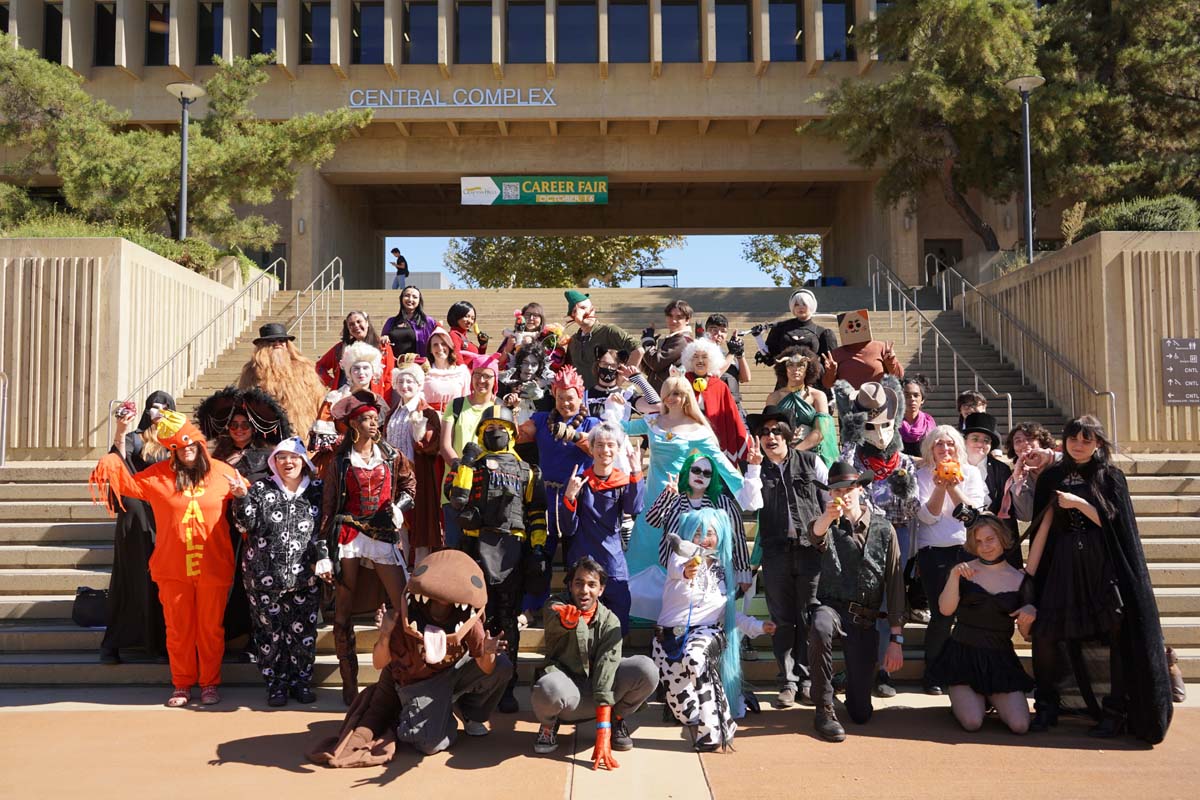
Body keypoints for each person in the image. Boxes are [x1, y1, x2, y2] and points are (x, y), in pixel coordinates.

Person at [1024, 416, 1172, 743]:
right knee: (1046, 633)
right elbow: (1043, 527)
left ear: (1098, 444)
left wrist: (1079, 503)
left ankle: (1115, 711)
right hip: (1062, 564)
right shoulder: (1052, 476)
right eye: (1074, 438)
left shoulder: (1110, 477)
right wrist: (1029, 579)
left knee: (1116, 636)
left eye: (1087, 439)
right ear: (1064, 441)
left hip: (1102, 565)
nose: (1079, 444)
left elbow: (1117, 526)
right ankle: (1047, 705)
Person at [90, 410, 244, 707]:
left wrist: (243, 495)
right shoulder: (159, 476)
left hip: (214, 567)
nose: (186, 451)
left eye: (191, 446)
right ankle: (183, 684)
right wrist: (120, 433)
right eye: (178, 448)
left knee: (210, 630)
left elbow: (252, 507)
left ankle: (209, 682)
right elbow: (124, 482)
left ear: (200, 445)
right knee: (178, 629)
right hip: (172, 569)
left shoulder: (223, 472)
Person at [308, 550, 512, 766]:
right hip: (416, 682)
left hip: (452, 671)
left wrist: (487, 652)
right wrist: (385, 635)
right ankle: (438, 716)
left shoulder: (467, 617)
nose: (440, 606)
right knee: (428, 744)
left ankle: (469, 713)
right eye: (435, 600)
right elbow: (379, 663)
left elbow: (486, 668)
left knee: (502, 665)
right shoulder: (405, 614)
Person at [448, 404, 550, 714]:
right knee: (476, 617)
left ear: (512, 434)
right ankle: (474, 680)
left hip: (513, 550)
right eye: (489, 428)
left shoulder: (529, 471)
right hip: (478, 548)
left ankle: (506, 683)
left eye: (501, 428)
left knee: (508, 619)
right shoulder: (472, 467)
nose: (496, 432)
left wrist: (537, 549)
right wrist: (465, 463)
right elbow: (457, 498)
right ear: (481, 433)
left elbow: (536, 514)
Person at [319, 389, 416, 705]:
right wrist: (323, 551)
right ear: (354, 424)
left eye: (376, 418)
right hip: (348, 533)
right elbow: (329, 506)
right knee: (343, 610)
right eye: (367, 419)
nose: (374, 423)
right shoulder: (340, 461)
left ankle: (403, 673)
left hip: (382, 532)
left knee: (402, 605)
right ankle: (350, 683)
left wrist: (400, 506)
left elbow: (409, 487)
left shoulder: (392, 455)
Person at [622, 375, 743, 623]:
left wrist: (747, 486)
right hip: (652, 499)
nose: (672, 398)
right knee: (642, 551)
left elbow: (719, 462)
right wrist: (614, 408)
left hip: (680, 503)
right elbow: (622, 429)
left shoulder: (699, 429)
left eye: (678, 393)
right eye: (668, 393)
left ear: (687, 396)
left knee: (676, 556)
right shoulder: (653, 421)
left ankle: (674, 616)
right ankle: (638, 614)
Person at [654, 508, 775, 752]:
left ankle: (717, 728)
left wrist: (758, 626)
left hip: (705, 633)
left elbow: (729, 613)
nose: (704, 538)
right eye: (697, 533)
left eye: (710, 533)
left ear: (720, 536)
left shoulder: (723, 571)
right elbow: (681, 568)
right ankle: (711, 710)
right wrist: (689, 569)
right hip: (667, 639)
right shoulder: (679, 559)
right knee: (686, 714)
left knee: (695, 658)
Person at [807, 462, 906, 743]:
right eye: (837, 489)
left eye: (849, 487)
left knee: (861, 713)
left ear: (861, 488)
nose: (844, 494)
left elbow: (895, 584)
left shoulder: (885, 529)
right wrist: (827, 517)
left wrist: (896, 638)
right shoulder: (827, 523)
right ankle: (823, 708)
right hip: (832, 608)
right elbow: (814, 536)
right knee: (820, 624)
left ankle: (845, 682)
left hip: (865, 619)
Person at [832, 377, 919, 697]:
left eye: (885, 425)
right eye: (871, 426)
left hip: (899, 536)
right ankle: (858, 667)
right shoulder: (854, 458)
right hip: (862, 537)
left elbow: (913, 507)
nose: (880, 434)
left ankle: (884, 670)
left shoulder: (904, 462)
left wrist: (905, 491)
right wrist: (852, 432)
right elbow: (843, 479)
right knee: (861, 603)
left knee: (888, 603)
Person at [230, 437, 332, 707]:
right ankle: (276, 685)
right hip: (263, 578)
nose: (288, 462)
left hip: (305, 577)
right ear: (274, 462)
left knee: (303, 635)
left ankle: (301, 682)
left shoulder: (318, 490)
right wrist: (241, 498)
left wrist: (323, 559)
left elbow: (326, 529)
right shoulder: (261, 489)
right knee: (269, 635)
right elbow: (244, 525)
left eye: (294, 457)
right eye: (282, 457)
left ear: (304, 461)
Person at [532, 556, 659, 765]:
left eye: (592, 584)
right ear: (570, 586)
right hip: (569, 694)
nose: (584, 590)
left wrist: (603, 731)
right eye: (579, 583)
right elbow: (553, 619)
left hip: (603, 692)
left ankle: (616, 720)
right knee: (547, 686)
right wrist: (567, 622)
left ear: (601, 590)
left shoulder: (610, 621)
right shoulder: (555, 606)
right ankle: (548, 726)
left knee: (646, 669)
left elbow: (606, 669)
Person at [746, 405, 828, 709]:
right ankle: (788, 682)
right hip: (776, 553)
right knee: (782, 620)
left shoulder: (811, 461)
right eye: (764, 432)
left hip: (810, 551)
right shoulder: (756, 470)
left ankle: (807, 681)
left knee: (808, 617)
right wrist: (753, 470)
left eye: (776, 431)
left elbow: (828, 501)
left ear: (790, 435)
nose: (770, 437)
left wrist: (825, 540)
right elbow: (750, 503)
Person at [926, 513, 1034, 735]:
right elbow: (946, 610)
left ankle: (988, 698)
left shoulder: (1020, 579)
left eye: (990, 539)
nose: (985, 546)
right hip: (962, 656)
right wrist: (954, 575)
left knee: (1020, 725)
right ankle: (967, 698)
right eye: (979, 541)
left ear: (1002, 538)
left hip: (1000, 658)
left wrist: (1030, 613)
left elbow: (1026, 634)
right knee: (973, 722)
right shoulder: (964, 571)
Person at [98, 392, 173, 664]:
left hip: (166, 513)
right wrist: (121, 429)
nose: (158, 412)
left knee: (163, 579)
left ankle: (161, 640)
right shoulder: (134, 438)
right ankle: (115, 642)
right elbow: (117, 461)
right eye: (154, 407)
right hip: (137, 512)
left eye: (165, 408)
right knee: (131, 575)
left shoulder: (174, 440)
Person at [914, 424, 987, 695]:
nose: (945, 449)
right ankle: (933, 672)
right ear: (930, 449)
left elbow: (973, 518)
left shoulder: (971, 474)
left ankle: (965, 670)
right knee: (942, 614)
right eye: (939, 444)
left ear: (959, 447)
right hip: (934, 553)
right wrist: (939, 487)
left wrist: (954, 486)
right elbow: (927, 516)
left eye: (950, 444)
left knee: (969, 613)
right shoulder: (921, 475)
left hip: (966, 551)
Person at [560, 423, 646, 632]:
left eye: (610, 445)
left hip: (612, 555)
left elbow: (634, 507)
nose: (605, 450)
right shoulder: (579, 482)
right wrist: (569, 498)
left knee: (619, 608)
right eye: (599, 445)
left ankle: (613, 659)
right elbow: (568, 528)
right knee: (579, 618)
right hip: (583, 553)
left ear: (617, 450)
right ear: (591, 448)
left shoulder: (623, 481)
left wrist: (636, 472)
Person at [647, 449, 759, 596]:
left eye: (707, 473)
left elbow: (737, 536)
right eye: (696, 470)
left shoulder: (722, 502)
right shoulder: (674, 498)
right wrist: (667, 496)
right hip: (678, 571)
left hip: (715, 572)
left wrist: (743, 571)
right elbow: (652, 521)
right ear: (687, 471)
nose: (701, 475)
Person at [383, 357, 443, 564]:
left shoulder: (427, 412)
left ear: (419, 385)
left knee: (421, 523)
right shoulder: (392, 413)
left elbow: (432, 446)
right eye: (401, 382)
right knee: (399, 523)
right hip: (393, 477)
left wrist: (420, 433)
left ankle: (420, 570)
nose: (405, 386)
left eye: (410, 382)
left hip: (418, 476)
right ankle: (401, 569)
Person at [439, 358, 500, 548]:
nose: (481, 380)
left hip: (487, 490)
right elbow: (445, 445)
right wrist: (461, 469)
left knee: (484, 553)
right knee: (455, 550)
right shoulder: (456, 405)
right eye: (477, 375)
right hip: (456, 488)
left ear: (495, 379)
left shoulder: (500, 408)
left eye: (487, 376)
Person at [237, 322, 326, 439]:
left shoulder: (305, 368)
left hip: (302, 432)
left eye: (281, 340)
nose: (277, 344)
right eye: (271, 341)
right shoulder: (252, 372)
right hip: (267, 434)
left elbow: (319, 401)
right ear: (262, 346)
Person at [308, 341, 385, 465]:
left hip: (372, 459)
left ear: (373, 372)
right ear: (349, 372)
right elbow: (322, 438)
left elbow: (383, 435)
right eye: (356, 368)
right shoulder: (334, 398)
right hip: (340, 460)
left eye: (365, 368)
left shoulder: (379, 401)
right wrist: (346, 441)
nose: (361, 372)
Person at [765, 345, 838, 467]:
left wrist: (794, 452)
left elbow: (821, 431)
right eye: (790, 365)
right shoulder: (774, 397)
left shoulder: (818, 396)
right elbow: (768, 429)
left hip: (811, 456)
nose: (796, 369)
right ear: (784, 368)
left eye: (801, 365)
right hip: (781, 454)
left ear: (808, 369)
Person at [682, 337, 751, 463]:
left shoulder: (720, 386)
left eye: (704, 357)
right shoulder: (681, 383)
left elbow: (732, 417)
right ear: (689, 360)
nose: (700, 361)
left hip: (713, 441)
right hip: (686, 440)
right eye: (695, 357)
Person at [962, 412, 1020, 552]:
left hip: (993, 539)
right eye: (975, 439)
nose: (981, 444)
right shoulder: (954, 466)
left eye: (986, 441)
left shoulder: (1001, 469)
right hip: (960, 538)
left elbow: (1007, 512)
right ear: (965, 441)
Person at [563, 290, 643, 391]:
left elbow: (638, 350)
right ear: (572, 317)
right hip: (581, 398)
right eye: (575, 311)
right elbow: (568, 369)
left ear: (593, 309)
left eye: (583, 308)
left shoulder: (609, 331)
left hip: (605, 397)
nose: (580, 313)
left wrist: (620, 379)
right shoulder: (573, 340)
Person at [758, 289, 837, 388]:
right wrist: (759, 339)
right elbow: (769, 358)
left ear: (811, 305)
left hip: (813, 385)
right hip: (786, 384)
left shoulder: (822, 333)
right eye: (796, 304)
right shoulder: (780, 329)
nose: (800, 307)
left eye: (804, 304)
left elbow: (829, 364)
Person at [819, 310, 904, 392]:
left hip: (877, 401)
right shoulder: (836, 354)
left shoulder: (881, 347)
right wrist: (831, 372)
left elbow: (899, 375)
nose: (854, 329)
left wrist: (891, 361)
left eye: (858, 324)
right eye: (850, 326)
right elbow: (827, 384)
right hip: (848, 403)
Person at [316, 311, 395, 397]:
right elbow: (319, 366)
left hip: (373, 399)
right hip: (345, 399)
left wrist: (385, 403)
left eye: (359, 322)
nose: (356, 326)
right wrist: (330, 382)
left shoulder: (383, 347)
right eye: (351, 324)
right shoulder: (340, 349)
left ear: (367, 323)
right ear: (348, 329)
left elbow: (388, 378)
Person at [998, 421, 1057, 523]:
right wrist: (1019, 482)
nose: (1024, 444)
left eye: (1029, 439)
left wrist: (1053, 457)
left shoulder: (1058, 463)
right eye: (1018, 441)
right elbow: (1026, 516)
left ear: (1041, 443)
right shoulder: (1019, 476)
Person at [586, 349, 660, 423]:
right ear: (597, 366)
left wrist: (638, 378)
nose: (609, 368)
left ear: (619, 367)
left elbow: (657, 406)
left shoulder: (627, 396)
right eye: (604, 364)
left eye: (613, 365)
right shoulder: (584, 396)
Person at [640, 299, 696, 393]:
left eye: (679, 317)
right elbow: (652, 370)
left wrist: (648, 342)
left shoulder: (683, 339)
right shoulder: (674, 338)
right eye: (670, 316)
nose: (673, 320)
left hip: (671, 396)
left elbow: (656, 362)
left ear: (687, 320)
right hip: (661, 393)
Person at [703, 314, 752, 409]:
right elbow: (715, 375)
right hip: (714, 406)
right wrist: (732, 352)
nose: (719, 334)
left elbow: (746, 378)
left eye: (723, 331)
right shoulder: (700, 352)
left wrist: (740, 354)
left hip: (734, 406)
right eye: (714, 329)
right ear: (706, 331)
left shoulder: (728, 355)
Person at [381, 286, 439, 358]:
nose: (410, 299)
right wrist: (384, 338)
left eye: (414, 297)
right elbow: (382, 344)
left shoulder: (429, 322)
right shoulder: (391, 321)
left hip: (419, 366)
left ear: (419, 301)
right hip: (395, 366)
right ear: (401, 298)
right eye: (407, 296)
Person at [423, 326, 471, 412]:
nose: (440, 348)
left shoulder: (462, 372)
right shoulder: (423, 373)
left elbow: (467, 401)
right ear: (430, 349)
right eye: (435, 345)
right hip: (429, 420)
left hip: (454, 419)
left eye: (443, 344)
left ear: (449, 346)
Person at [898, 375, 935, 458]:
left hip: (924, 468)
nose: (912, 399)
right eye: (907, 396)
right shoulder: (892, 423)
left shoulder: (929, 423)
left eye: (916, 395)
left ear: (922, 400)